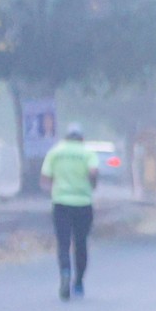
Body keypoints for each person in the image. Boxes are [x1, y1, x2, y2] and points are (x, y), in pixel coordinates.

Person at [43, 125, 98, 299]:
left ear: (66, 137)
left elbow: (45, 178)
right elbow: (93, 172)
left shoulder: (55, 152)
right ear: (81, 137)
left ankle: (65, 272)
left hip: (61, 203)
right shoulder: (87, 153)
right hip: (83, 203)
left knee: (63, 243)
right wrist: (92, 185)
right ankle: (79, 282)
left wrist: (54, 190)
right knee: (81, 243)